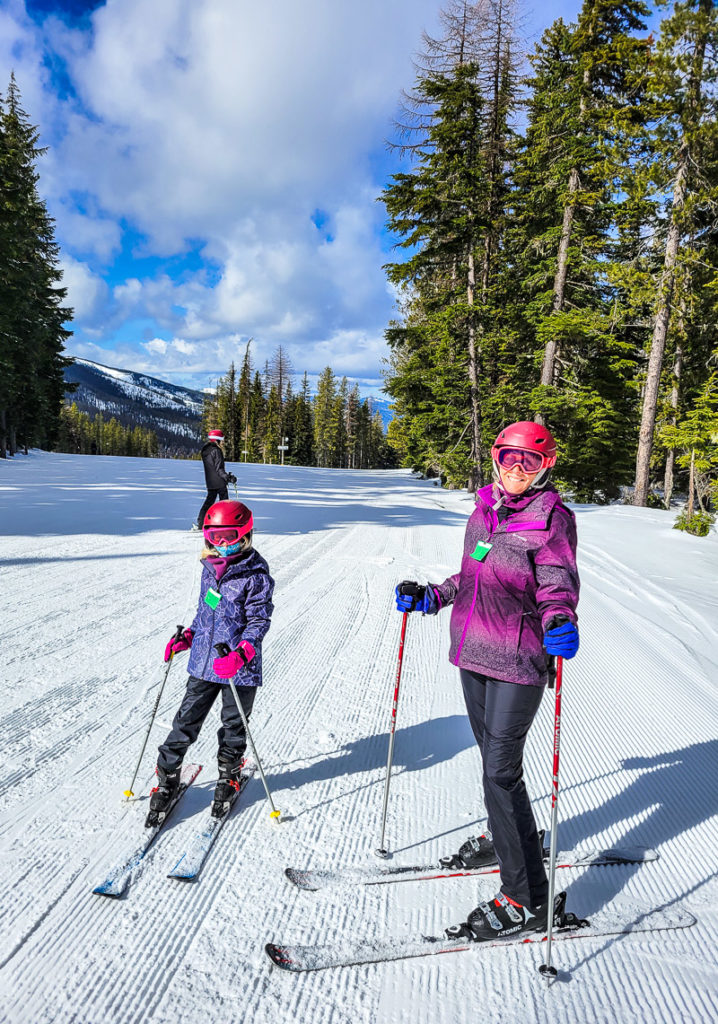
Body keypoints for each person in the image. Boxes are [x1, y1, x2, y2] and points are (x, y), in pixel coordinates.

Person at [395, 421, 579, 940]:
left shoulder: (552, 519)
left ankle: (526, 897)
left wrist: (561, 620)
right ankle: (507, 837)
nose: (519, 470)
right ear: (495, 458)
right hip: (472, 654)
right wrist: (433, 596)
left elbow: (557, 582)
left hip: (519, 660)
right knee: (494, 766)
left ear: (547, 466)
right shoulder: (484, 511)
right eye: (510, 458)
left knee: (500, 771)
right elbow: (472, 574)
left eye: (532, 462)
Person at [149, 499, 275, 822]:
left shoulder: (256, 574)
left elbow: (259, 621)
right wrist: (189, 637)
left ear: (245, 535)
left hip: (238, 668)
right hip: (204, 661)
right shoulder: (209, 570)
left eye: (228, 536)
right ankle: (167, 776)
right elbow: (207, 611)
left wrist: (242, 654)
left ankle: (229, 774)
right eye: (214, 537)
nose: (220, 544)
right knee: (185, 720)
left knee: (234, 724)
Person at [192, 429, 237, 531]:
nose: (223, 442)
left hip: (210, 482)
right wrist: (229, 478)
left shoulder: (205, 450)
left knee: (208, 502)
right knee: (225, 503)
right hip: (219, 482)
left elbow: (212, 467)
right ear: (217, 440)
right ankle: (226, 523)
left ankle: (201, 522)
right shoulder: (217, 451)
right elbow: (219, 469)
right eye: (222, 440)